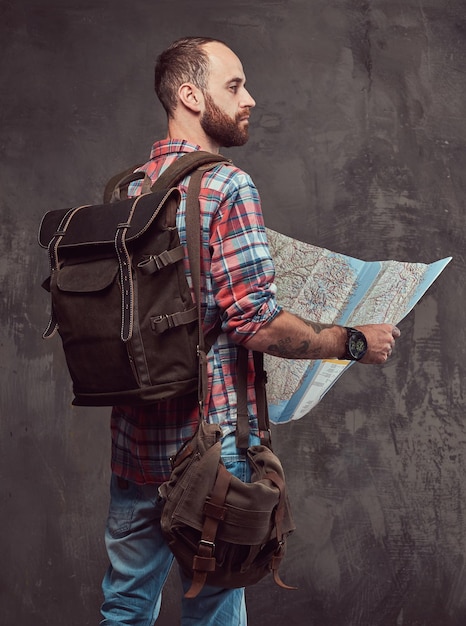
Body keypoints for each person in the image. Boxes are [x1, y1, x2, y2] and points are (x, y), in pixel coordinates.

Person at [100, 36, 400, 626]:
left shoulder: (127, 190)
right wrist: (351, 341)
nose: (251, 100)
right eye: (234, 86)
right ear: (190, 94)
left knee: (125, 607)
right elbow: (253, 322)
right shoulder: (226, 186)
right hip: (211, 450)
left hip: (135, 444)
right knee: (214, 609)